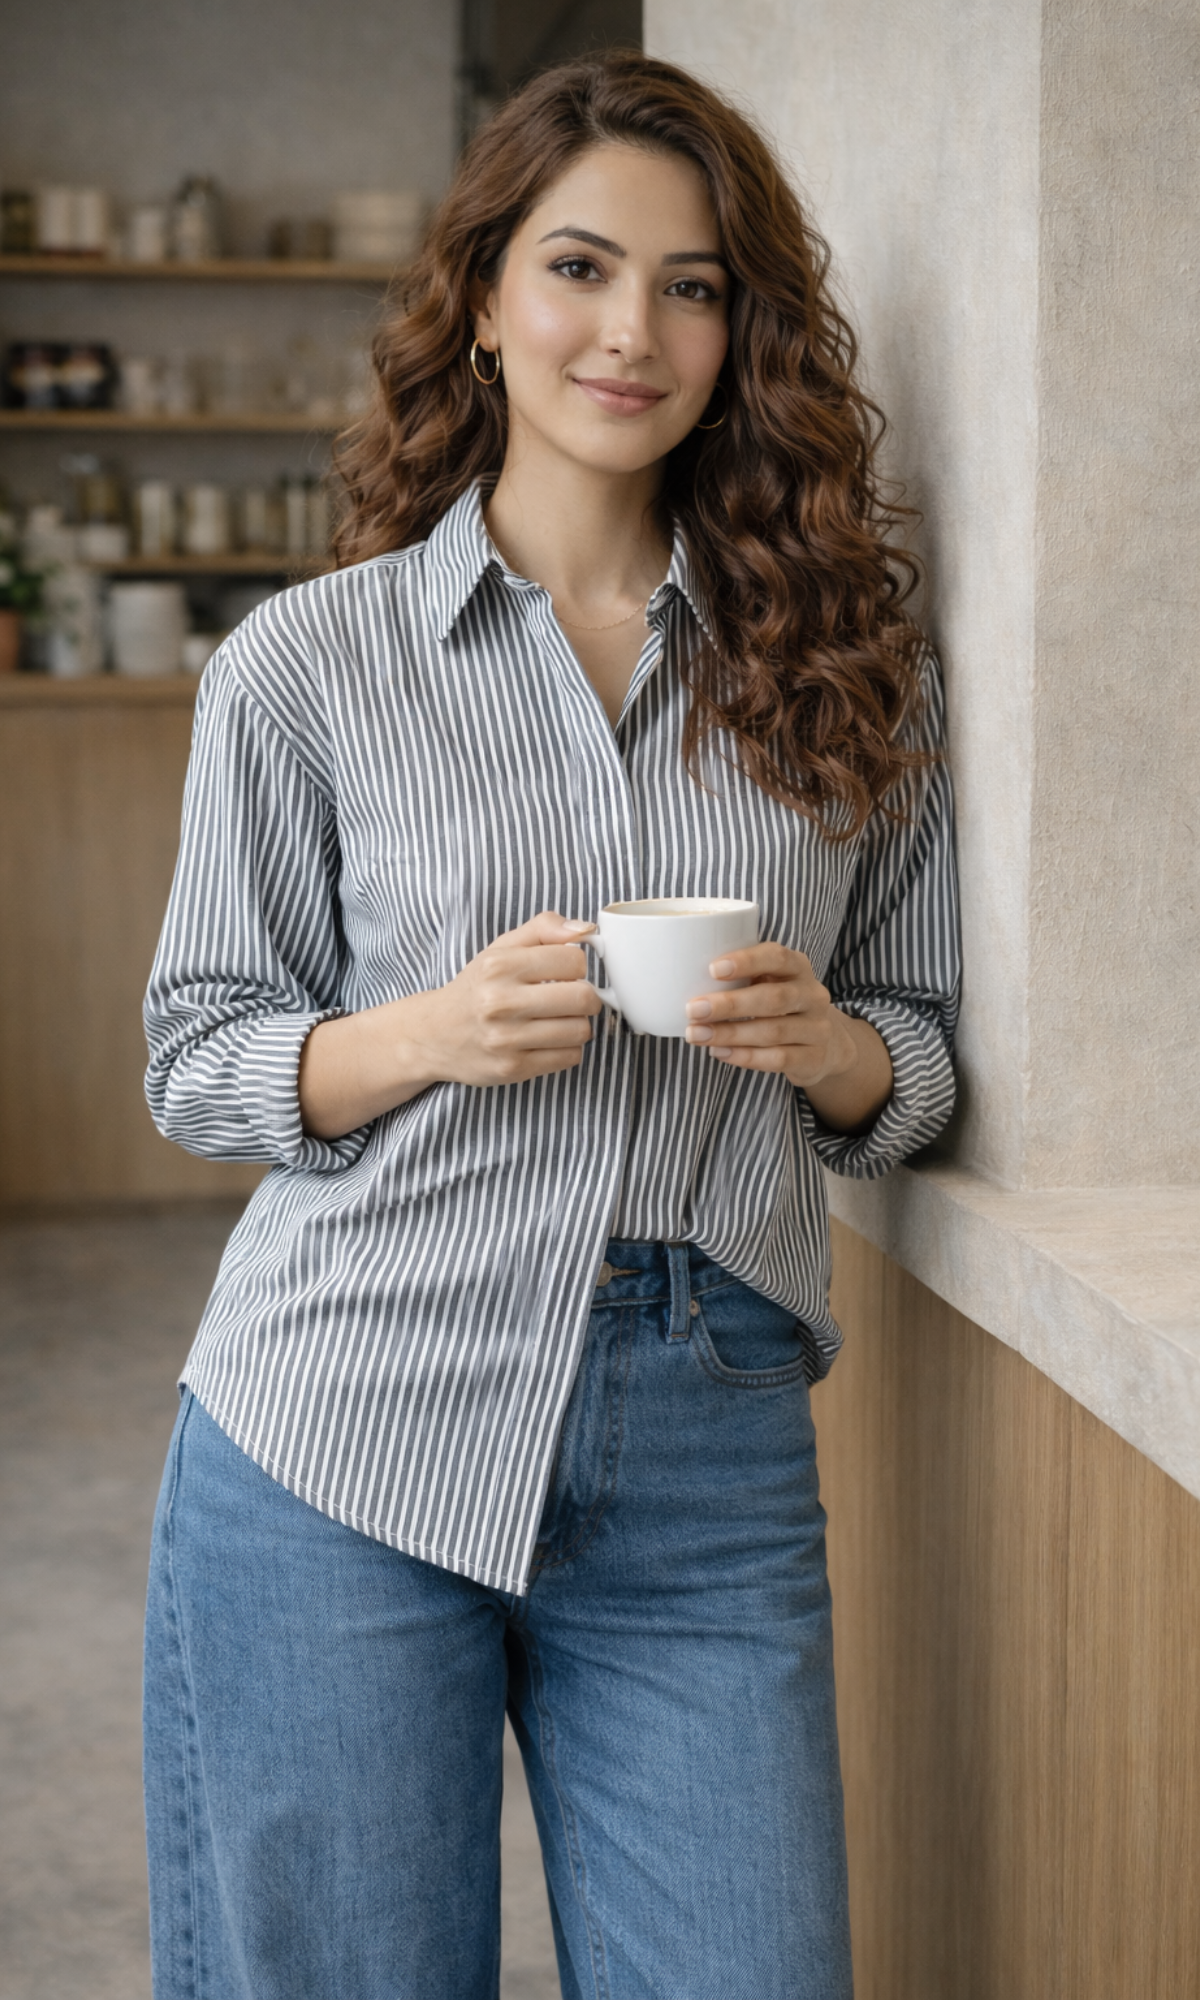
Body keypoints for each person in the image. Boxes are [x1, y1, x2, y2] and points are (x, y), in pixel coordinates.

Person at [142, 51, 959, 2000]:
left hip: (708, 1437)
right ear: (489, 296)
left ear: (741, 337)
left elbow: (920, 1051)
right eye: (581, 268)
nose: (632, 333)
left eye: (693, 288)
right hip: (347, 1413)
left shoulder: (850, 672)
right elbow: (196, 1057)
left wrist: (830, 1049)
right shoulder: (308, 667)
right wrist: (423, 1033)